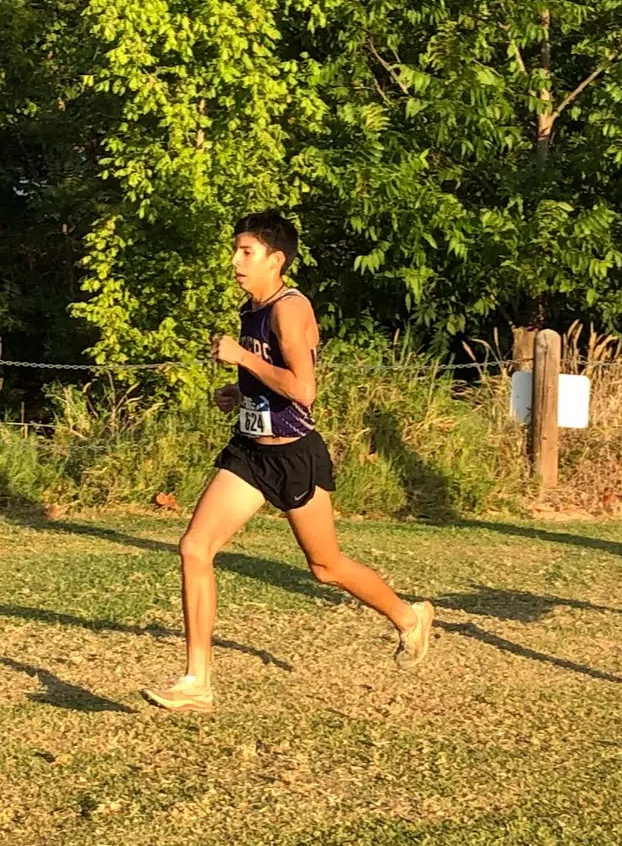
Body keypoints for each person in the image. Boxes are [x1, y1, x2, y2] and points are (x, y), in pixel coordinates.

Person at [143, 210, 434, 712]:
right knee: (194, 547)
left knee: (325, 566)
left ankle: (410, 617)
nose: (235, 260)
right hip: (250, 455)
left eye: (246, 252)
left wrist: (244, 361)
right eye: (236, 250)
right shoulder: (251, 309)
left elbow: (303, 389)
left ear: (276, 260)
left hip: (294, 457)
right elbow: (273, 375)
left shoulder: (288, 309)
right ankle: (197, 682)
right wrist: (242, 391)